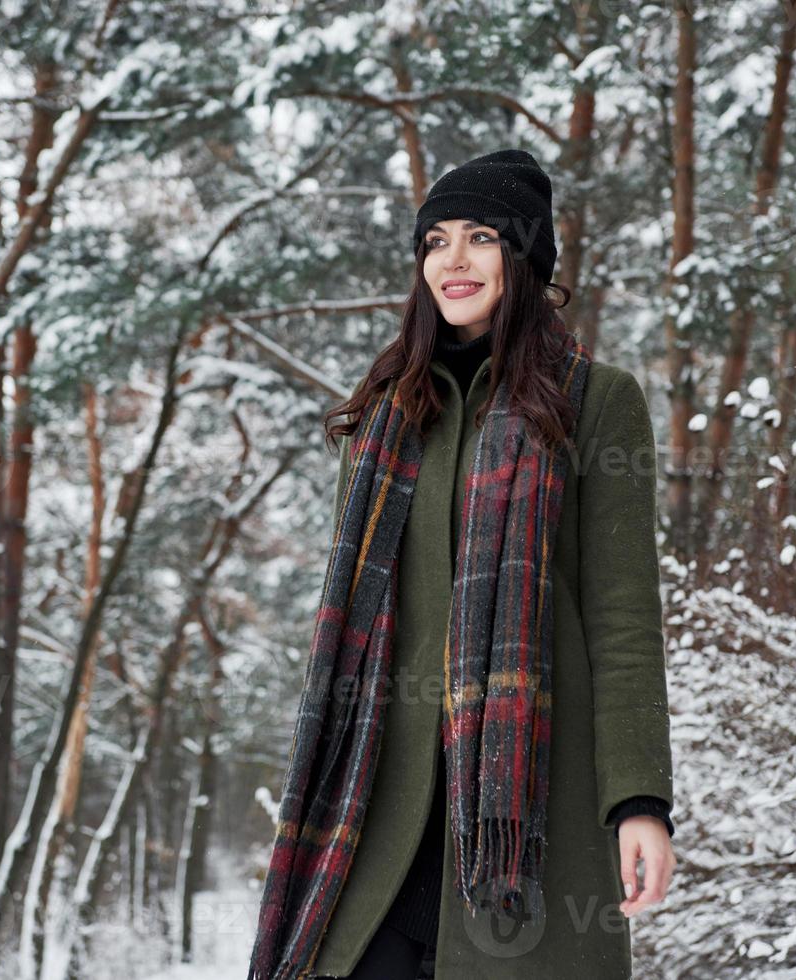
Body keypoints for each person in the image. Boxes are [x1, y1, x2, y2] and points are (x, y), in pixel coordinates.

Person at [247, 149, 676, 980]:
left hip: (526, 817)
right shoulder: (385, 415)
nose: (454, 260)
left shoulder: (597, 402)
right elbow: (348, 628)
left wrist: (640, 802)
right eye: (435, 241)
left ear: (524, 259)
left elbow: (626, 621)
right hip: (376, 821)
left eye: (481, 237)